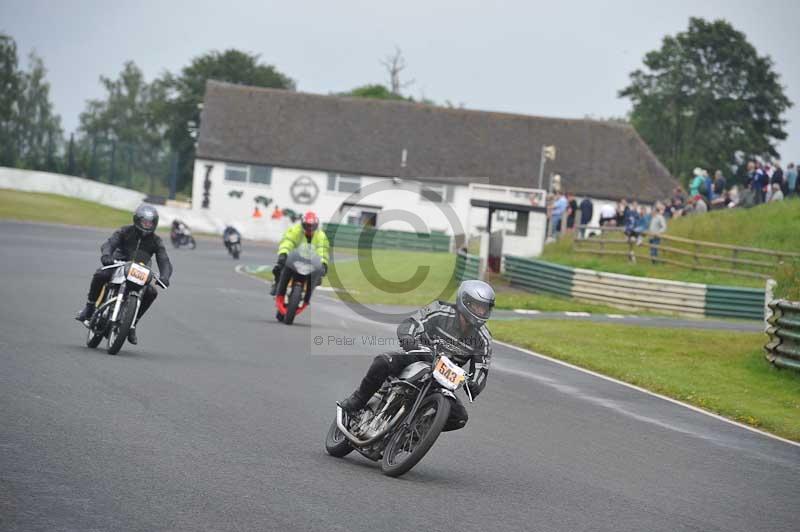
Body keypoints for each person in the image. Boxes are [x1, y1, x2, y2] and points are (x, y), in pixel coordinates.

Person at [338, 280, 495, 432]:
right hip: (419, 357)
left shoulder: (484, 338)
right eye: (477, 306)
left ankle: (415, 433)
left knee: (459, 418)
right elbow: (412, 323)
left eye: (484, 308)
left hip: (444, 379)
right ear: (464, 301)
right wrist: (409, 338)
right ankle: (357, 401)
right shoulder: (439, 309)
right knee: (383, 361)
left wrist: (474, 384)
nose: (481, 312)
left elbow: (482, 370)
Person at [75, 205, 172, 345]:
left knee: (151, 292)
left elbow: (164, 260)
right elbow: (109, 243)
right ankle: (89, 308)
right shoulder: (125, 231)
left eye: (150, 223)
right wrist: (107, 255)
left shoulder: (156, 241)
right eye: (145, 222)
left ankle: (132, 324)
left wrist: (165, 276)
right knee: (101, 275)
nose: (147, 225)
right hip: (118, 263)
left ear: (155, 224)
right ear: (137, 220)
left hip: (139, 270)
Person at [270, 211, 330, 296]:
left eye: (312, 226)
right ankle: (276, 284)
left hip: (311, 261)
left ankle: (307, 294)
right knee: (278, 267)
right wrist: (283, 253)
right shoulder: (295, 230)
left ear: (316, 226)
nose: (310, 228)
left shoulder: (321, 235)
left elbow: (323, 249)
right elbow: (288, 241)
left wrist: (323, 263)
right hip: (294, 257)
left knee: (318, 278)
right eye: (307, 226)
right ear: (303, 224)